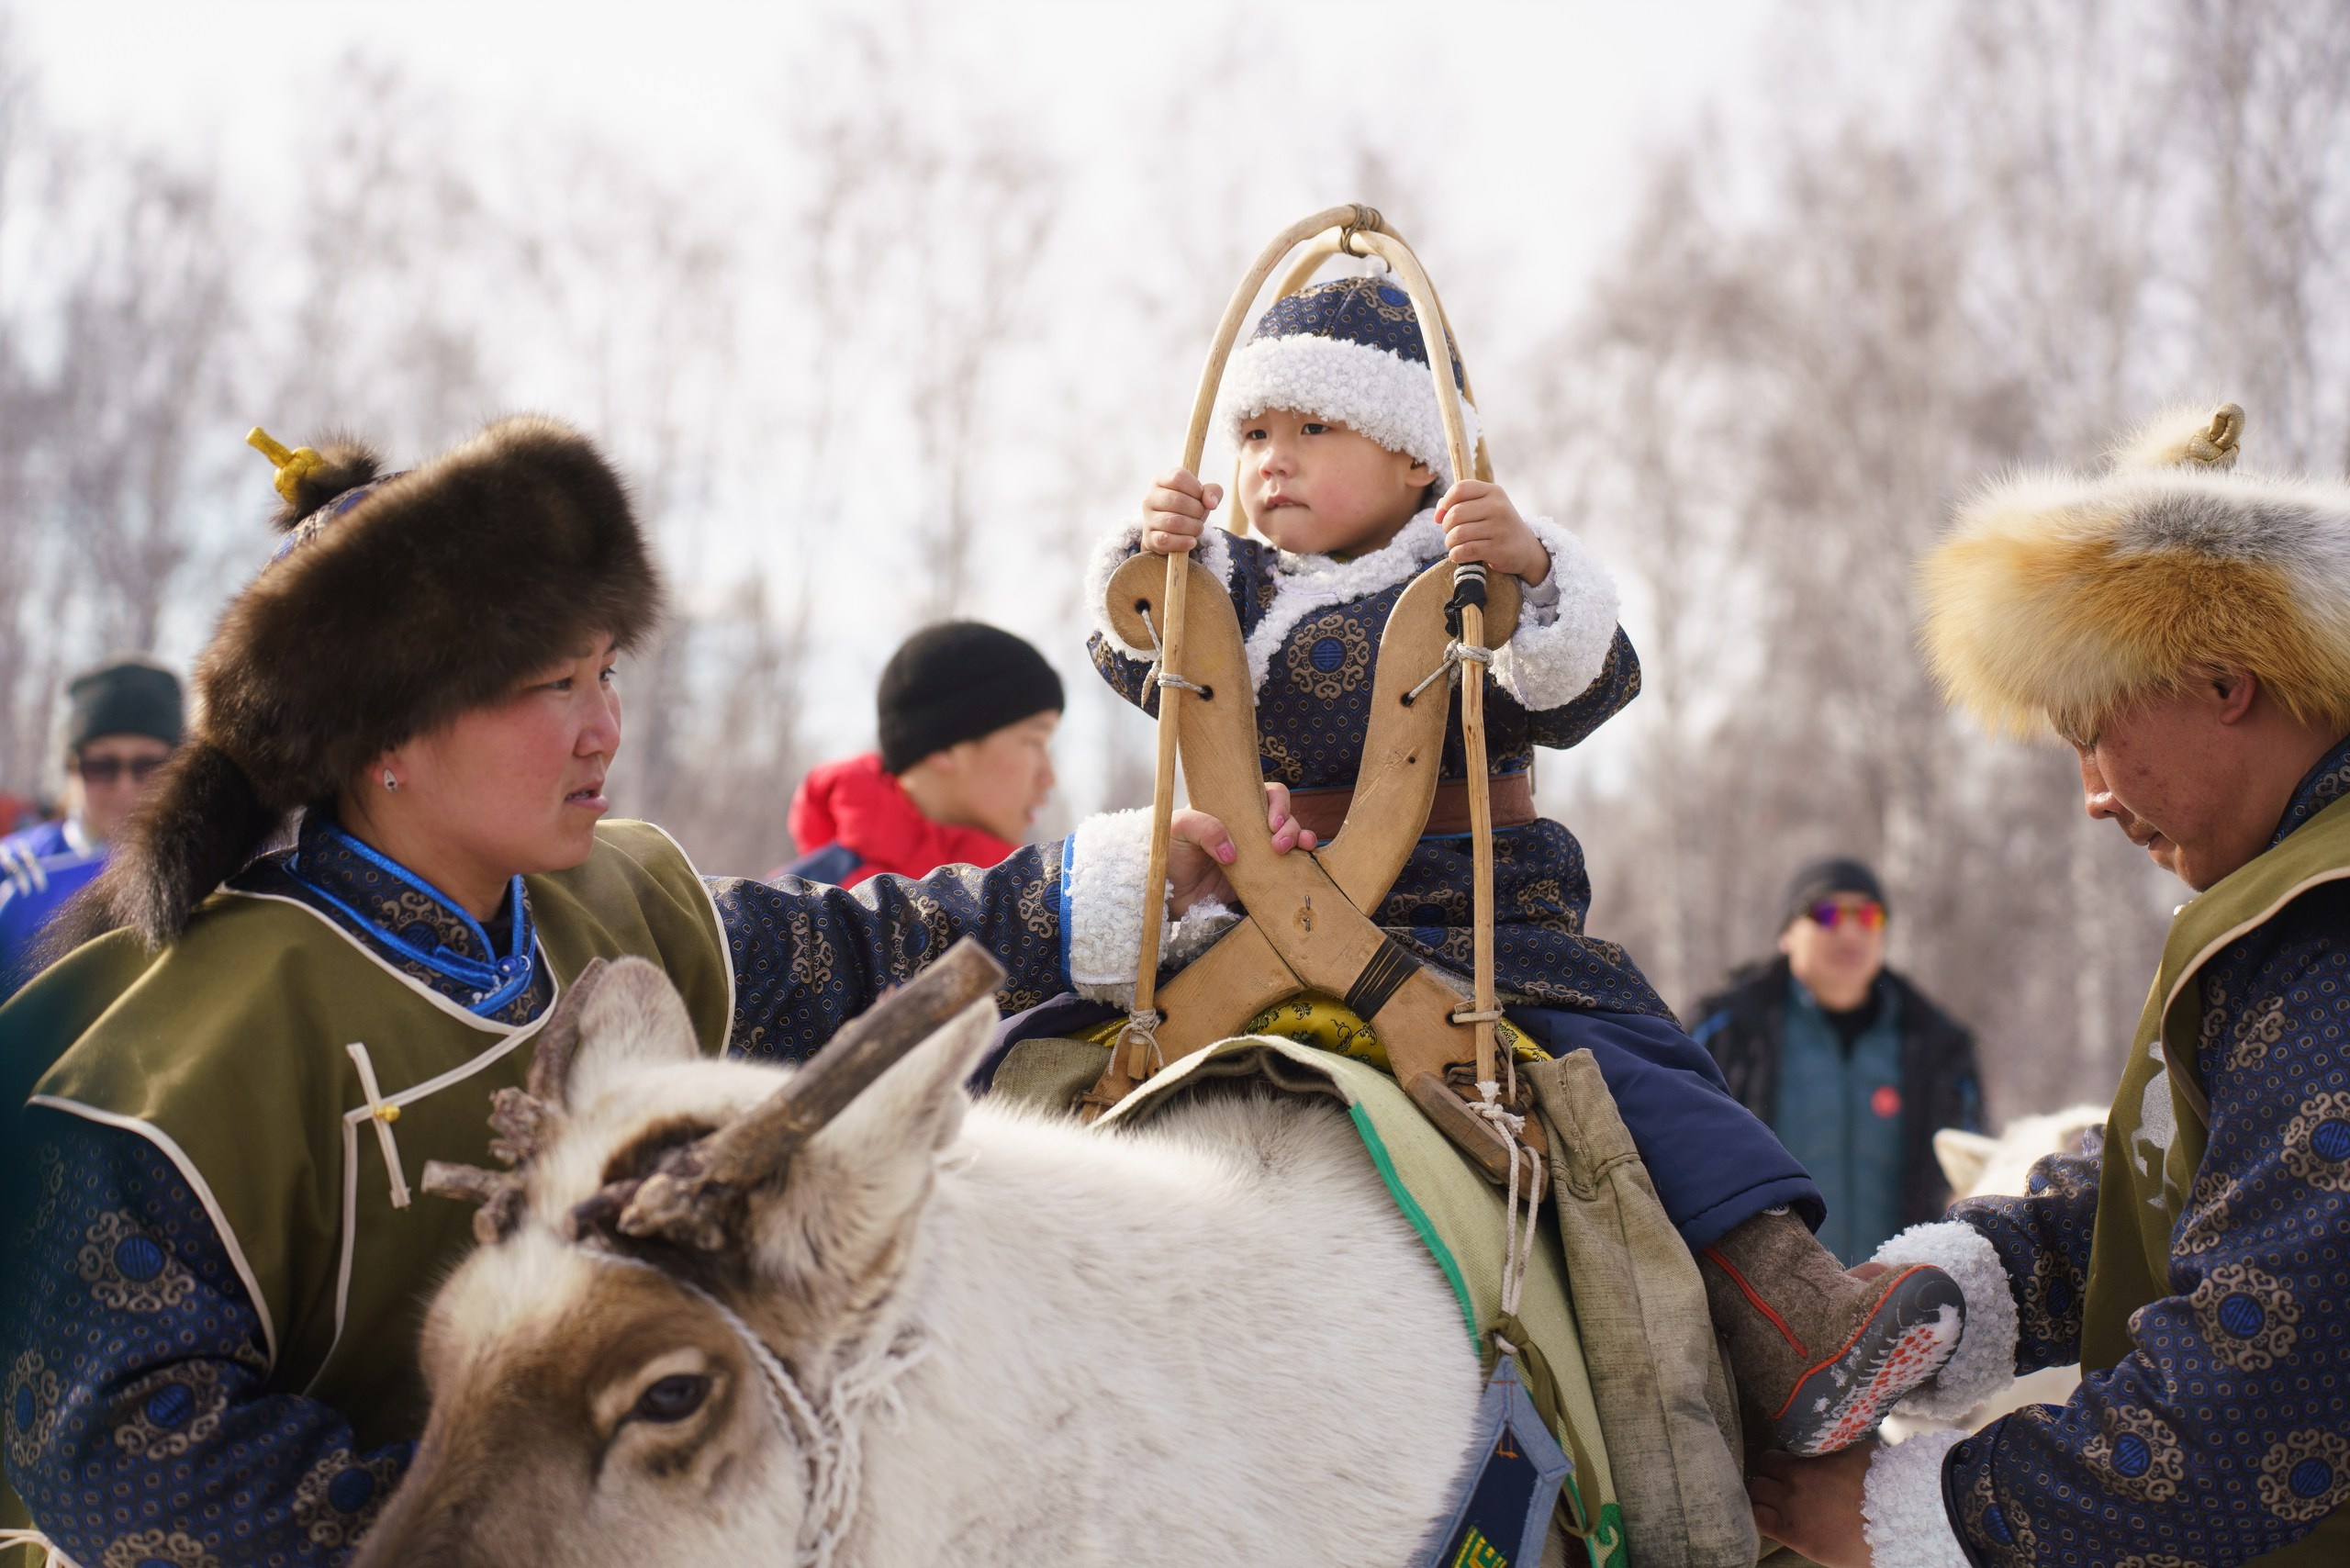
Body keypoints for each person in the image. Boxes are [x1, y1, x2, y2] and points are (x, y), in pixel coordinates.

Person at [0, 417, 1300, 1568]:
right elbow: (114, 1444)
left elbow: (845, 960)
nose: (602, 727)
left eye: (605, 670)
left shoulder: (611, 900)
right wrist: (517, 1521)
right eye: (546, 686)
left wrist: (1126, 886)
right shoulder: (183, 1040)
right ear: (384, 738)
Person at [1095, 273, 1966, 1458]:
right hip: (1263, 919)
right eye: (1253, 433)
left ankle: (1793, 1318)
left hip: (1474, 921)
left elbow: (1577, 685)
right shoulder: (1234, 592)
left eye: (1313, 429)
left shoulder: (1466, 574)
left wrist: (1538, 570)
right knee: (1070, 1030)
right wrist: (1148, 559)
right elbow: (1140, 659)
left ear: (1415, 460)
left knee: (1629, 1074)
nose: (1272, 462)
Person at [1754, 402, 2350, 1566]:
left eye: (2093, 730)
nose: (2089, 791)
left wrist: (1928, 1516)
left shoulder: (2328, 935)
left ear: (2223, 680)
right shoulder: (2281, 907)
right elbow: (2170, 1180)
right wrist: (1941, 1296)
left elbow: (2263, 1386)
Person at [1693, 857, 1984, 1266]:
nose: (1849, 931)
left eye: (1867, 915)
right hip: (1758, 1308)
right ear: (1787, 934)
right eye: (1826, 913)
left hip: (1904, 1305)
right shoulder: (1726, 1032)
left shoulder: (1938, 1046)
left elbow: (1970, 1180)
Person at [781, 620, 1062, 886]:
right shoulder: (803, 915)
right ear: (945, 746)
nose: (1049, 777)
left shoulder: (1037, 906)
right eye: (1034, 741)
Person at [0, 658, 182, 996]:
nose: (125, 786)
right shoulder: (15, 874)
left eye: (148, 765)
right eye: (101, 766)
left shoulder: (208, 881)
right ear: (72, 769)